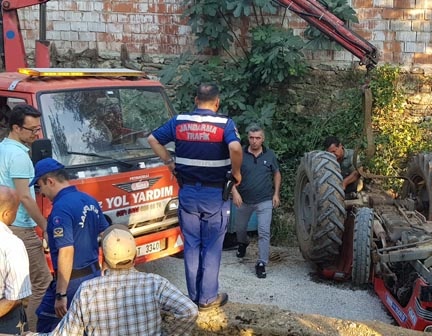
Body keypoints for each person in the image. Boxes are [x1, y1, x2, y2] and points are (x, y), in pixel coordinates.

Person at [148, 82, 242, 312]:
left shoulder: (179, 122)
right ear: (217, 102)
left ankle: (193, 296)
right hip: (214, 195)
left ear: (195, 100)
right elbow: (236, 149)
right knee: (211, 247)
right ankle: (207, 298)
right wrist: (237, 173)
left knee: (191, 245)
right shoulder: (224, 124)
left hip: (188, 192)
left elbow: (152, 139)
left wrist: (170, 163)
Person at [26, 225, 199, 336]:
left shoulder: (88, 290)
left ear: (104, 260)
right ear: (135, 256)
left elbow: (65, 335)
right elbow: (189, 310)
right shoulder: (155, 283)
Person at [29, 158, 109, 332]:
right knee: (85, 323)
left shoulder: (61, 208)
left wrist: (61, 294)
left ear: (50, 181)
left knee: (47, 322)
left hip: (72, 281)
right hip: (93, 276)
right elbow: (108, 236)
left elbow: (66, 251)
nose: (41, 193)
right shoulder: (89, 200)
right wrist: (105, 269)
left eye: (40, 186)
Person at [0, 104, 52, 331]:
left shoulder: (3, 148)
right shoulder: (20, 157)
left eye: (38, 129)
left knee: (12, 285)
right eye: (31, 130)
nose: (36, 135)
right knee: (41, 282)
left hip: (6, 223)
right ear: (16, 128)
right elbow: (25, 197)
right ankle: (31, 329)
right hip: (20, 227)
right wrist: (45, 226)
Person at [231, 125, 281, 279]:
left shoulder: (270, 155)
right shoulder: (241, 154)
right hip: (244, 200)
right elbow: (232, 174)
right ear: (248, 138)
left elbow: (277, 173)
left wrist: (276, 194)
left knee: (264, 231)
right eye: (251, 138)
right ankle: (242, 243)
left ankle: (261, 263)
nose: (254, 141)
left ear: (263, 139)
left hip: (264, 200)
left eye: (258, 138)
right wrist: (235, 193)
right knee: (240, 228)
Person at [0, 186, 31, 334]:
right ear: (6, 214)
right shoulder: (12, 244)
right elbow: (14, 299)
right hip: (6, 322)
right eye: (16, 209)